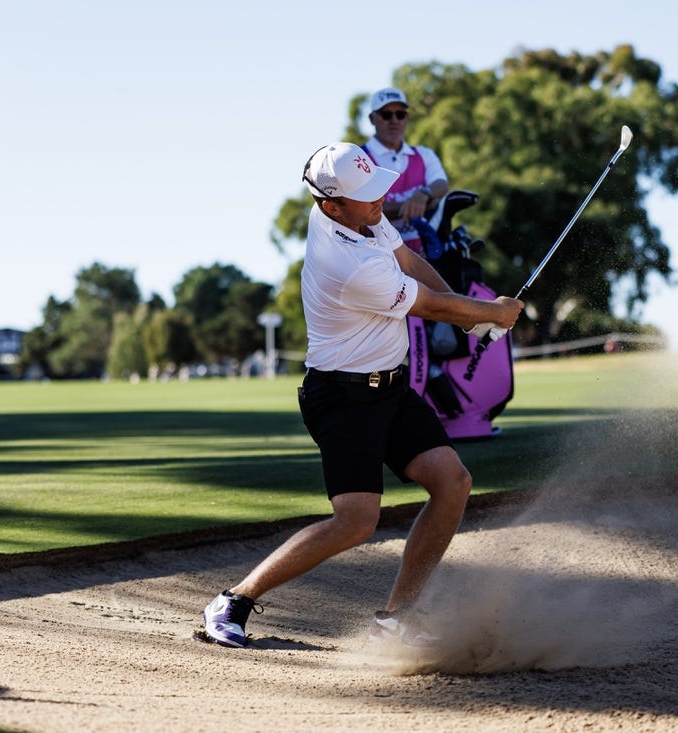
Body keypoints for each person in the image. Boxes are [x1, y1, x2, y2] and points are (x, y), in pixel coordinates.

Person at [202, 143, 524, 649]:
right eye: (367, 194)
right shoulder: (346, 262)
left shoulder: (363, 217)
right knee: (356, 522)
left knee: (452, 482)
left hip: (390, 387)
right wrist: (489, 313)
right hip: (342, 398)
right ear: (331, 206)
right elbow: (433, 306)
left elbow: (413, 263)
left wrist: (472, 322)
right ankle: (234, 600)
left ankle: (396, 619)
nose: (382, 199)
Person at [362, 87, 450, 255]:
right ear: (372, 119)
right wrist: (417, 204)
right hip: (379, 261)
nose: (394, 120)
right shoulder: (359, 159)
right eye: (386, 114)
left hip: (426, 256)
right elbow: (363, 210)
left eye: (400, 114)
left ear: (407, 118)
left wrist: (423, 194)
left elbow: (441, 185)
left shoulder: (424, 154)